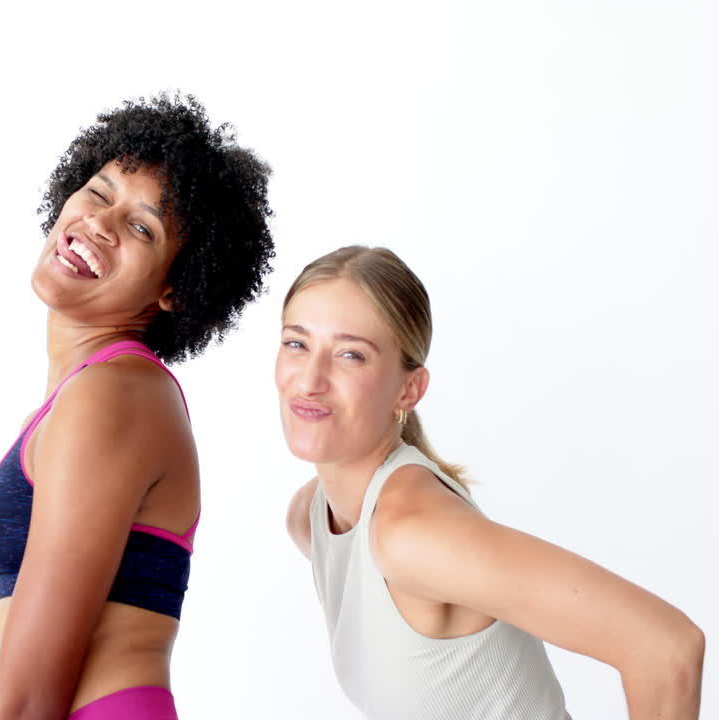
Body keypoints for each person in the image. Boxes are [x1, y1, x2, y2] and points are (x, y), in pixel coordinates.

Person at [278, 245, 704, 719]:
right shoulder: (313, 516)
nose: (310, 379)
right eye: (297, 343)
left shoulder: (413, 533)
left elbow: (665, 648)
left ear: (409, 389)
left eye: (351, 355)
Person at [0, 94, 276, 720]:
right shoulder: (89, 391)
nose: (100, 223)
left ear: (174, 288)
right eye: (99, 192)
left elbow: (32, 697)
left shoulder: (113, 395)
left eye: (142, 227)